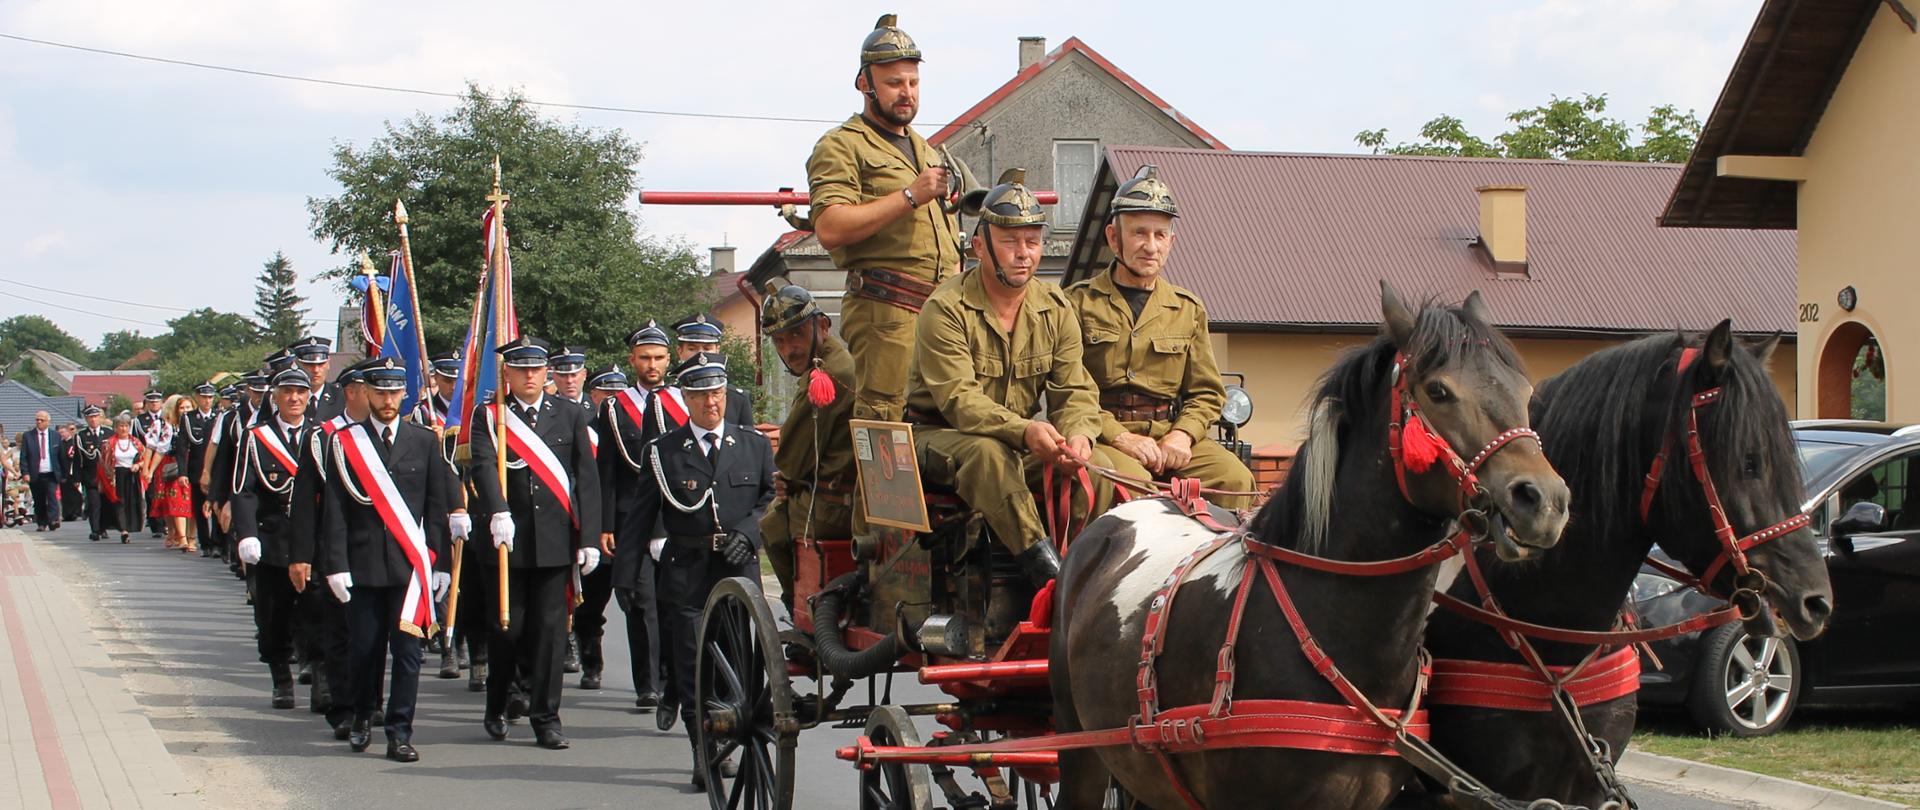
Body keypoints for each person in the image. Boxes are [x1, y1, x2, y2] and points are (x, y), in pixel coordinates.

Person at [903, 169, 1120, 587]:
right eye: (1010, 241)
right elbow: (961, 402)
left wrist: (1079, 437)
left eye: (1032, 241)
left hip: (1016, 441)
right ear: (980, 247)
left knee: (1098, 467)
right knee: (988, 455)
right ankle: (1049, 578)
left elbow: (1075, 388)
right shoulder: (945, 308)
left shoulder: (1055, 307)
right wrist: (1027, 431)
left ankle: (1084, 576)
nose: (1024, 254)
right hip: (938, 438)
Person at [1066, 166, 1255, 508]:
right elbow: (1070, 389)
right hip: (1104, 435)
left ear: (1172, 242)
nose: (1150, 246)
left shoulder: (1187, 308)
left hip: (1169, 435)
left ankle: (1217, 563)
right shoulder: (1076, 303)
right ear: (1113, 238)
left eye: (1160, 235)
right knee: (1132, 486)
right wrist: (1120, 437)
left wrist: (1182, 436)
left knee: (1236, 480)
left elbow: (1206, 394)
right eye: (1139, 233)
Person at [808, 13, 962, 427]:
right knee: (885, 436)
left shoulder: (927, 149)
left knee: (950, 426)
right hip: (886, 312)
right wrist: (911, 195)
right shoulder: (841, 146)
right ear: (865, 84)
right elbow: (830, 227)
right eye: (894, 83)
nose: (906, 93)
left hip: (943, 318)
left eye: (913, 83)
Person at [629, 352, 774, 790]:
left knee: (737, 659)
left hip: (736, 569)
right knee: (694, 664)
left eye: (718, 393)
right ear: (686, 398)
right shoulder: (665, 451)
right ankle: (702, 747)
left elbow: (770, 499)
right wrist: (625, 580)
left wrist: (749, 534)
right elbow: (638, 518)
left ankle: (731, 729)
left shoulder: (754, 444)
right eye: (702, 394)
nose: (712, 402)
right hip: (686, 572)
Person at [320, 358, 459, 762]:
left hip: (409, 569)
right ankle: (364, 715)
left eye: (393, 392)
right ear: (366, 393)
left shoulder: (423, 441)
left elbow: (436, 509)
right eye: (379, 392)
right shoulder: (346, 442)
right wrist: (336, 565)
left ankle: (400, 731)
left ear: (404, 394)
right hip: (362, 567)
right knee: (364, 650)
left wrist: (442, 565)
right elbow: (336, 509)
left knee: (410, 654)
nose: (386, 400)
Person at [469, 337, 602, 750]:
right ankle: (498, 703)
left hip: (554, 542)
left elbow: (586, 478)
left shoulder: (569, 414)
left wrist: (590, 537)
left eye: (536, 368)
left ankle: (547, 718)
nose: (529, 375)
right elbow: (483, 465)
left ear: (547, 373)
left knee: (548, 635)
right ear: (507, 373)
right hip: (506, 542)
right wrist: (497, 511)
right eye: (520, 368)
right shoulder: (490, 416)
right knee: (507, 631)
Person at [757, 283, 857, 612]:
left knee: (772, 524)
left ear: (823, 326)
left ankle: (803, 611)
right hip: (854, 499)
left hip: (834, 507)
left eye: (797, 335)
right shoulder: (841, 363)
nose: (789, 349)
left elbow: (791, 460)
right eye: (780, 341)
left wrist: (790, 478)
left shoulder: (824, 376)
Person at [598, 322, 673, 715]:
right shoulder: (614, 407)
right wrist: (605, 524)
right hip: (632, 518)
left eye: (659, 358)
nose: (652, 365)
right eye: (644, 358)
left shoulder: (682, 400)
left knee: (671, 601)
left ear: (669, 359)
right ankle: (647, 684)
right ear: (632, 361)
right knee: (641, 602)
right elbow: (606, 469)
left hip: (676, 517)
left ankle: (670, 676)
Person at [232, 367, 318, 709]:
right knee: (273, 615)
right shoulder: (257, 437)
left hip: (312, 540)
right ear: (275, 397)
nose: (294, 398)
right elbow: (243, 490)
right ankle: (281, 678)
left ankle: (321, 677)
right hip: (273, 539)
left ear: (308, 397)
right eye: (287, 392)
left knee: (318, 612)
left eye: (300, 392)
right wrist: (247, 534)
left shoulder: (321, 436)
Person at [670, 317, 753, 426]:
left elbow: (746, 441)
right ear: (680, 351)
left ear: (717, 350)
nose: (700, 355)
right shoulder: (664, 398)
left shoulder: (737, 399)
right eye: (692, 348)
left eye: (707, 348)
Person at [182, 383, 220, 556]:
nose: (207, 401)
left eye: (210, 397)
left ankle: (218, 542)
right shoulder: (189, 418)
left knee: (216, 505)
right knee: (199, 508)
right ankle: (206, 543)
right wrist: (182, 472)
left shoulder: (219, 416)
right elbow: (183, 447)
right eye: (204, 397)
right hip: (197, 469)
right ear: (197, 398)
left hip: (216, 469)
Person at [17, 411, 64, 531]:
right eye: (37, 419)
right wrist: (25, 472)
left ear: (48, 422)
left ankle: (53, 520)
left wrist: (63, 473)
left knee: (52, 496)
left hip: (51, 473)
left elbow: (61, 456)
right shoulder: (28, 436)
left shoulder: (55, 436)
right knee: (39, 499)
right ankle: (42, 522)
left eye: (42, 420)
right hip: (35, 473)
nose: (39, 422)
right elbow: (24, 456)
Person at [134, 390, 167, 538]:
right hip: (148, 458)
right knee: (151, 493)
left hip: (166, 458)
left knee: (167, 492)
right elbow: (136, 441)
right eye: (151, 401)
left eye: (157, 401)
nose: (154, 403)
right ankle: (157, 525)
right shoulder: (139, 420)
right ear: (146, 403)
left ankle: (167, 522)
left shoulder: (168, 417)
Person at [75, 407, 111, 541]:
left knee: (105, 504)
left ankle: (103, 528)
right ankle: (95, 530)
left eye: (96, 417)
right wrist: (77, 477)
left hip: (106, 476)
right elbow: (78, 459)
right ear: (86, 419)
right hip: (91, 476)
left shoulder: (108, 433)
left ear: (100, 418)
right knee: (94, 504)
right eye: (90, 417)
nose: (93, 419)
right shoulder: (81, 436)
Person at [107, 415, 144, 543]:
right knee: (120, 501)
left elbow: (144, 459)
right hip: (117, 474)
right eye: (120, 426)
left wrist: (138, 465)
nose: (123, 429)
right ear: (116, 428)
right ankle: (123, 530)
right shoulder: (110, 443)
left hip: (132, 474)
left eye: (126, 426)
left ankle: (131, 525)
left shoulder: (136, 442)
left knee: (132, 501)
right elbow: (104, 462)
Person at [289, 337, 345, 421]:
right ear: (298, 364)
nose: (315, 370)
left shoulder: (341, 396)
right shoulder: (288, 398)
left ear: (328, 363)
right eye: (309, 365)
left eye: (321, 364)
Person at [58, 423, 83, 524]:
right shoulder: (60, 444)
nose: (61, 434)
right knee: (65, 495)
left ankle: (75, 512)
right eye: (60, 433)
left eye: (63, 432)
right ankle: (66, 513)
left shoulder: (73, 443)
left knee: (74, 493)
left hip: (72, 471)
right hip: (63, 473)